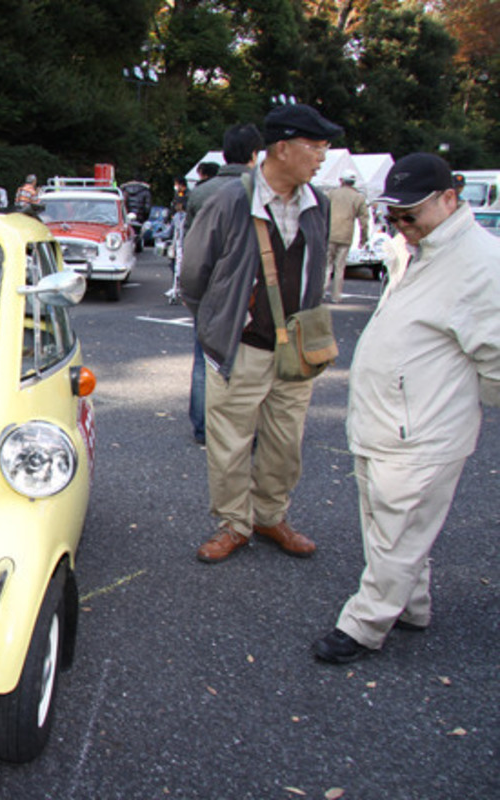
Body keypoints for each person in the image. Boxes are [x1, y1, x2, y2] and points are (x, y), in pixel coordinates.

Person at [312, 153, 500, 664]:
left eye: (409, 214)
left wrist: (455, 406)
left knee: (396, 532)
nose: (400, 224)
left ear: (449, 200)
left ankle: (363, 624)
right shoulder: (420, 249)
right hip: (389, 420)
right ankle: (412, 605)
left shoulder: (481, 263)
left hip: (422, 428)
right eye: (393, 215)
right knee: (389, 526)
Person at [180, 103, 343, 564]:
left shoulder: (319, 204)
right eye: (315, 147)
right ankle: (234, 523)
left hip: (297, 349)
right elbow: (193, 275)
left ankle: (271, 516)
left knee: (285, 444)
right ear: (282, 148)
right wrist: (217, 325)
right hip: (242, 347)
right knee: (230, 444)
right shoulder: (230, 201)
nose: (321, 158)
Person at [182, 124, 266, 445]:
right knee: (251, 363)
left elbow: (191, 248)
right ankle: (245, 429)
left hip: (209, 288)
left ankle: (202, 425)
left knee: (204, 359)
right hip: (249, 290)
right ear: (255, 155)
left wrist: (195, 300)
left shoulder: (203, 192)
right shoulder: (261, 192)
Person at [325, 171, 370, 303]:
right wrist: (364, 238)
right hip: (346, 235)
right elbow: (364, 221)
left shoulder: (331, 194)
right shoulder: (358, 197)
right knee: (340, 267)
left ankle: (320, 291)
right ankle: (336, 296)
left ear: (341, 180)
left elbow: (322, 212)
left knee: (327, 266)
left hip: (330, 233)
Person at [120, 176, 153, 253]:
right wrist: (144, 218)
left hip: (126, 217)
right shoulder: (145, 191)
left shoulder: (124, 191)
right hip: (139, 218)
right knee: (137, 234)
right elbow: (147, 207)